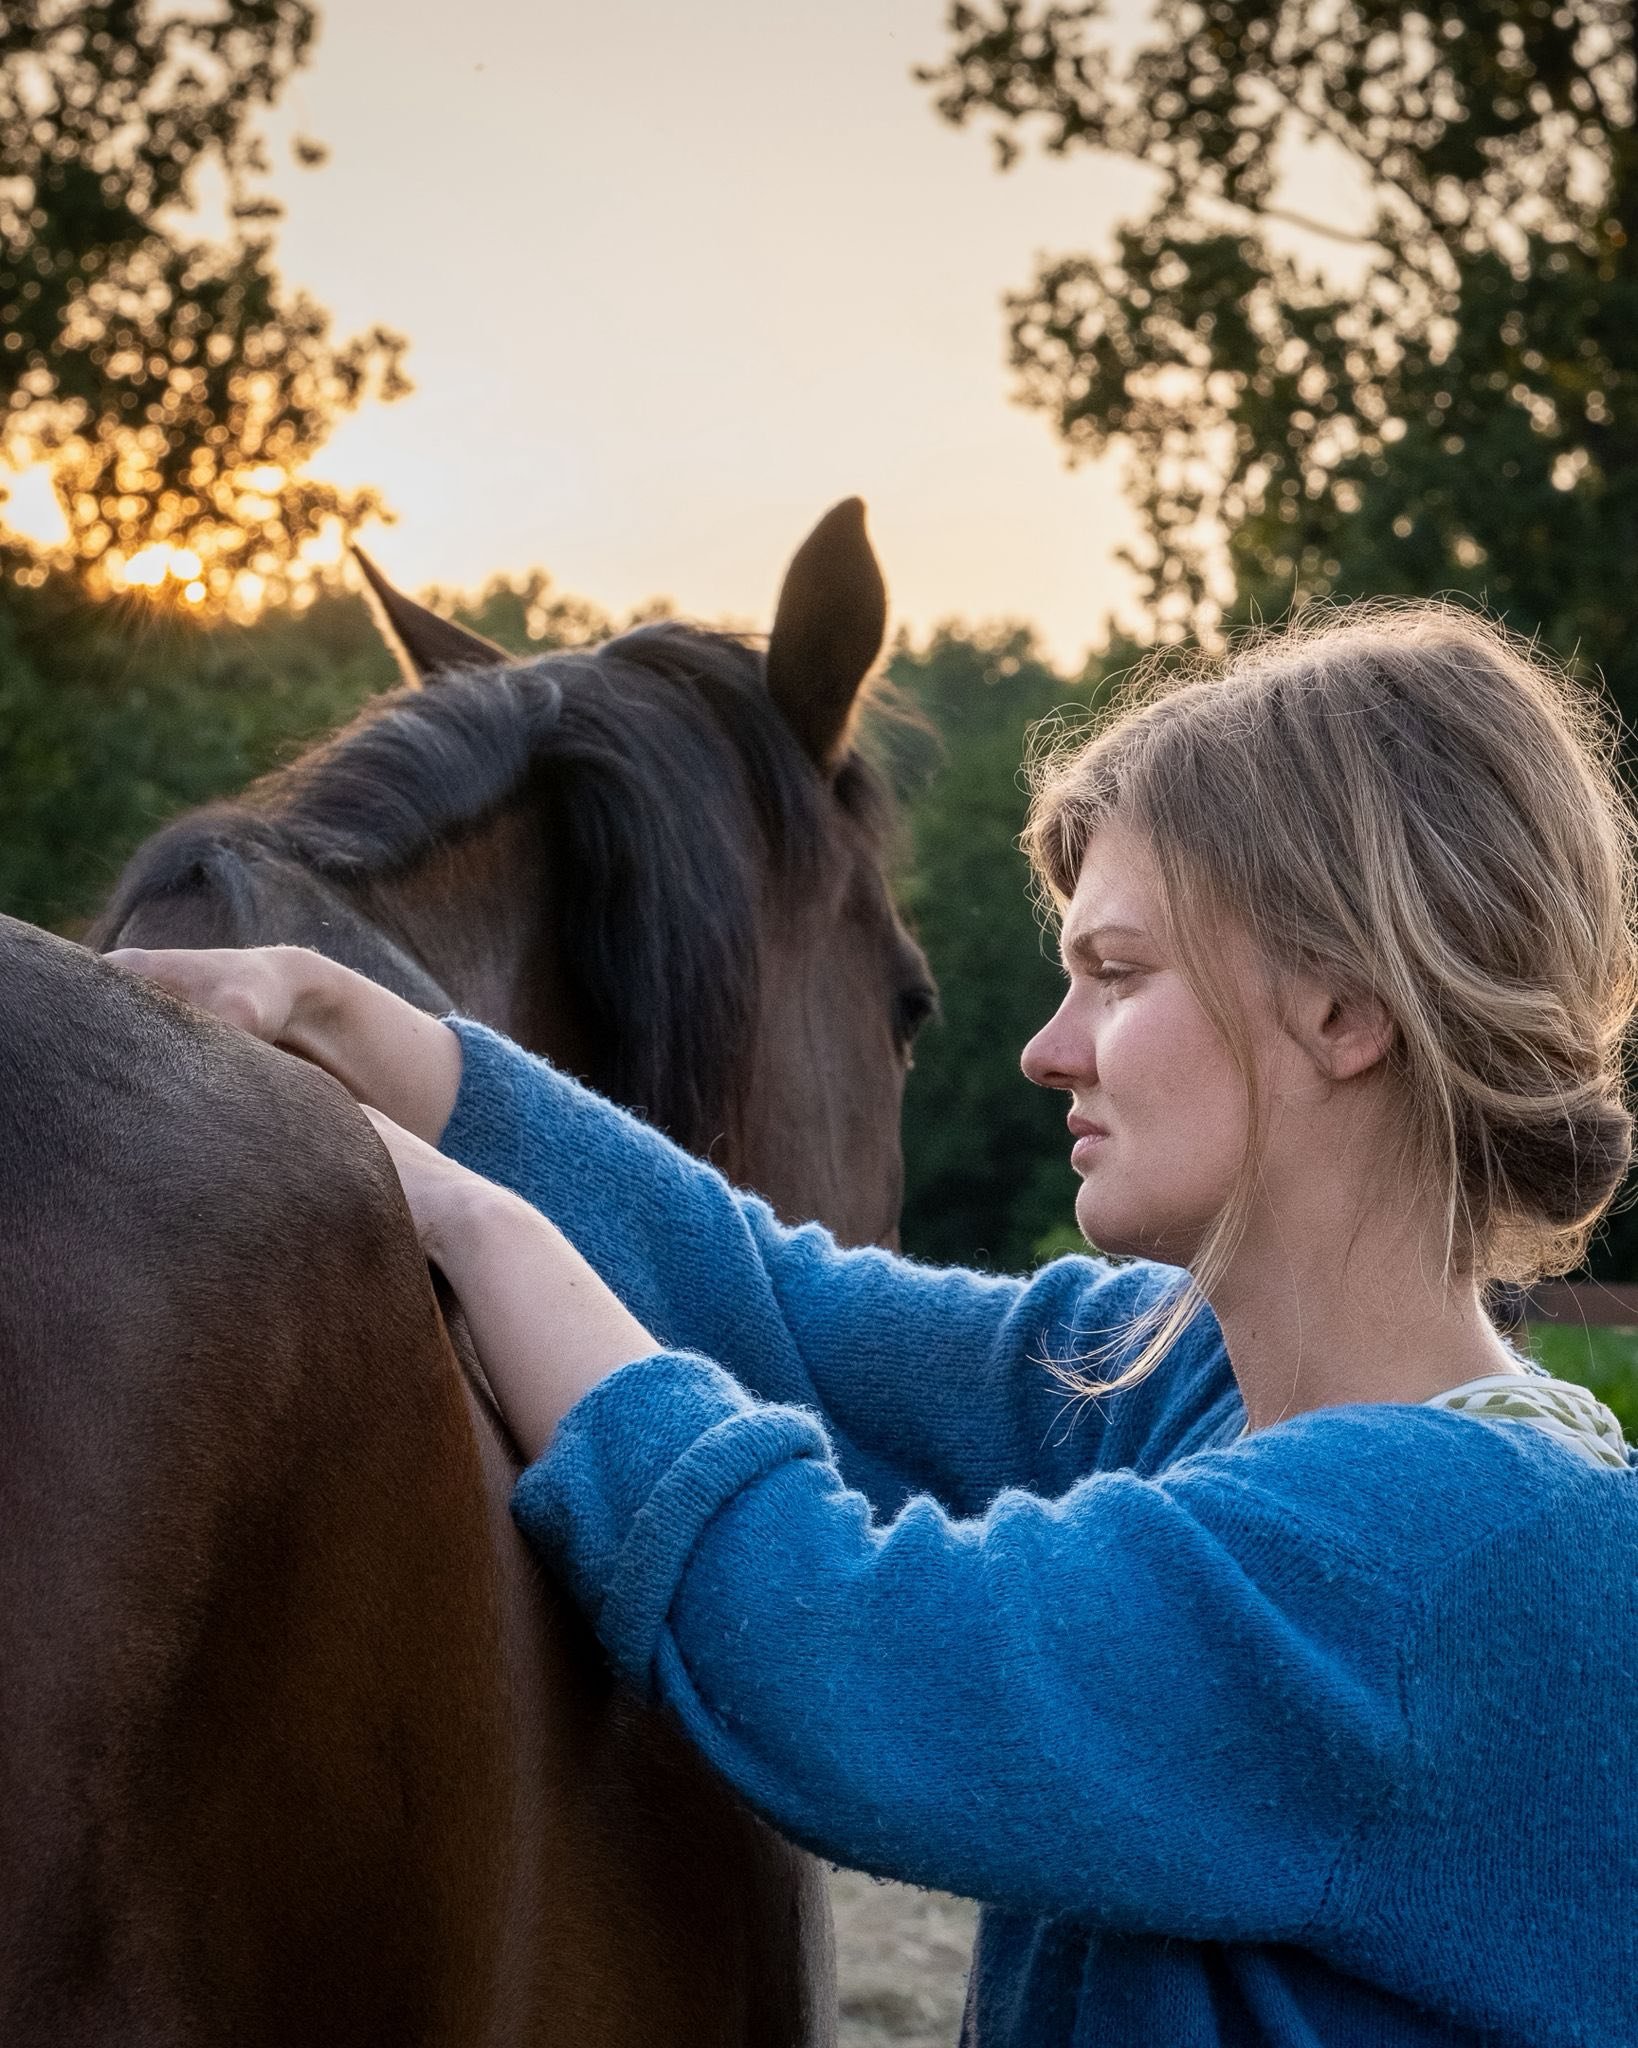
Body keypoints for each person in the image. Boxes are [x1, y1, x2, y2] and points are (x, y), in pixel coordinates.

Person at [114, 603, 1638, 2046]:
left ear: (1342, 1010)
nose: (1048, 1051)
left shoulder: (1450, 1576)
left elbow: (842, 1648)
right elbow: (794, 1319)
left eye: (1115, 974)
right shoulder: (1184, 1379)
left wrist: (462, 1215)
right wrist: (364, 1031)